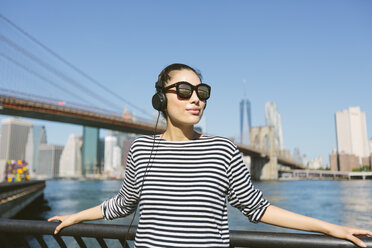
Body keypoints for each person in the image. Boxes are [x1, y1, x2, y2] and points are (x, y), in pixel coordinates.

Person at [49, 63, 372, 248]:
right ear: (161, 100)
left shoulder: (222, 149)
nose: (196, 100)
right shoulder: (141, 149)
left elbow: (257, 208)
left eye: (202, 92)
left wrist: (332, 229)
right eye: (185, 91)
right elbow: (123, 204)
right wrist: (75, 217)